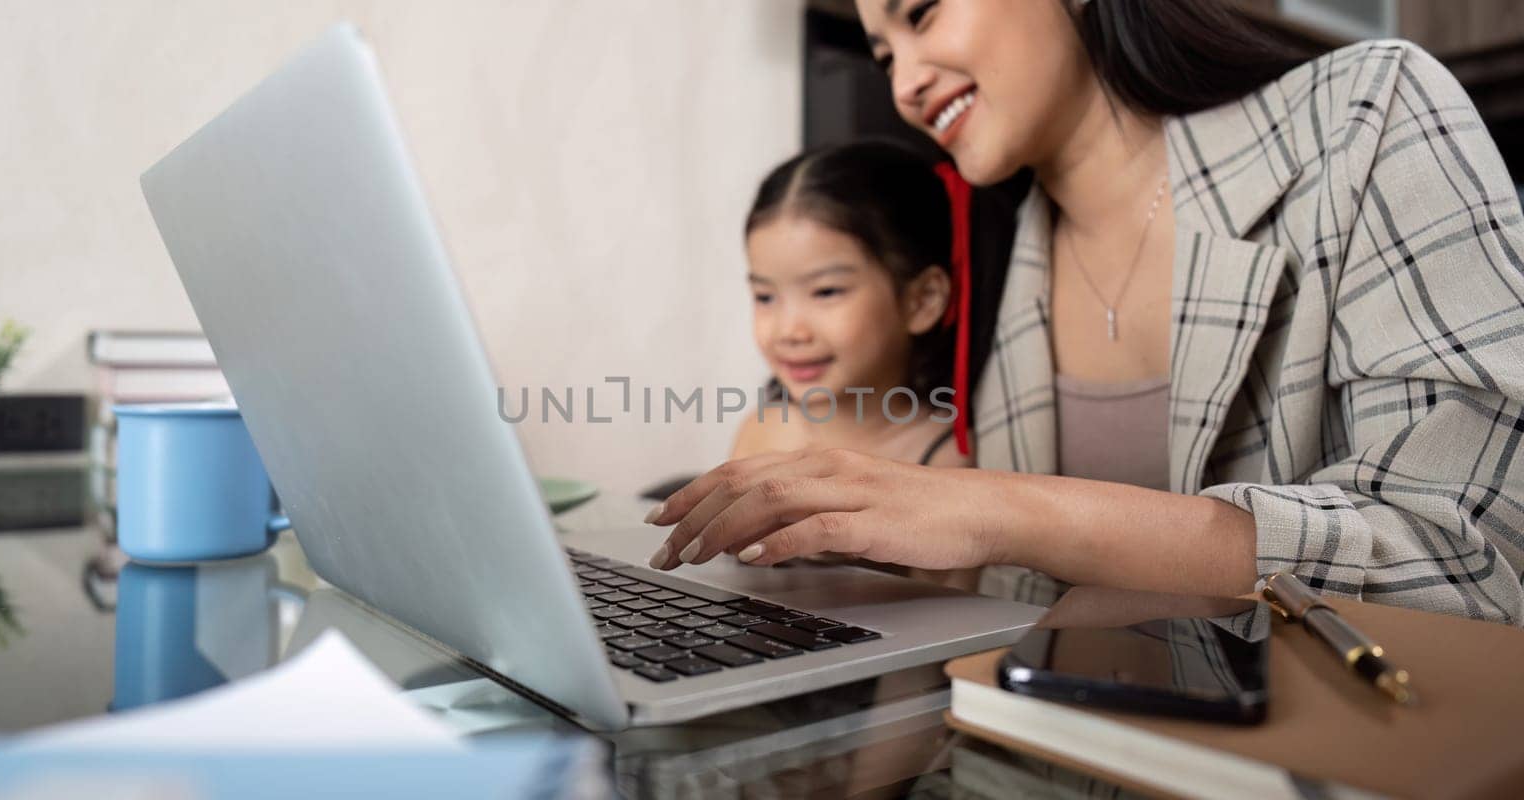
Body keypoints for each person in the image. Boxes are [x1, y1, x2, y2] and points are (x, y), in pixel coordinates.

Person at [645, 0, 1524, 625]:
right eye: (882, 55)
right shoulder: (988, 254)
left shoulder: (1362, 116)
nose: (906, 84)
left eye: (921, 15)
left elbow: (1479, 561)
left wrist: (1006, 511)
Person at [731, 141, 982, 471]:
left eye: (826, 292)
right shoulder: (761, 433)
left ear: (922, 301)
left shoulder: (946, 462)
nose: (788, 332)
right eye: (765, 297)